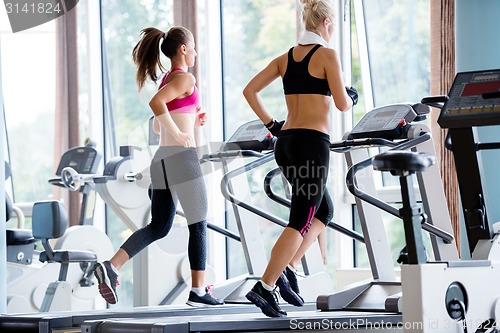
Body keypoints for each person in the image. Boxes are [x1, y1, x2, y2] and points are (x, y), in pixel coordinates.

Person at [93, 26, 224, 307]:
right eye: (194, 47)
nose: (197, 53)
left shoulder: (168, 79)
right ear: (183, 50)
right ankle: (199, 292)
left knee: (159, 226)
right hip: (181, 158)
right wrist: (180, 134)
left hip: (161, 161)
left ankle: (112, 265)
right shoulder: (185, 78)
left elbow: (157, 122)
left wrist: (189, 121)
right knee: (198, 224)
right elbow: (155, 105)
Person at [242, 0, 357, 317]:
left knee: (324, 210)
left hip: (287, 142)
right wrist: (351, 93)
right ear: (326, 24)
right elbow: (343, 104)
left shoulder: (285, 58)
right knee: (301, 220)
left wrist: (271, 125)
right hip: (311, 144)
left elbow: (249, 91)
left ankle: (289, 266)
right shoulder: (327, 56)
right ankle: (265, 286)